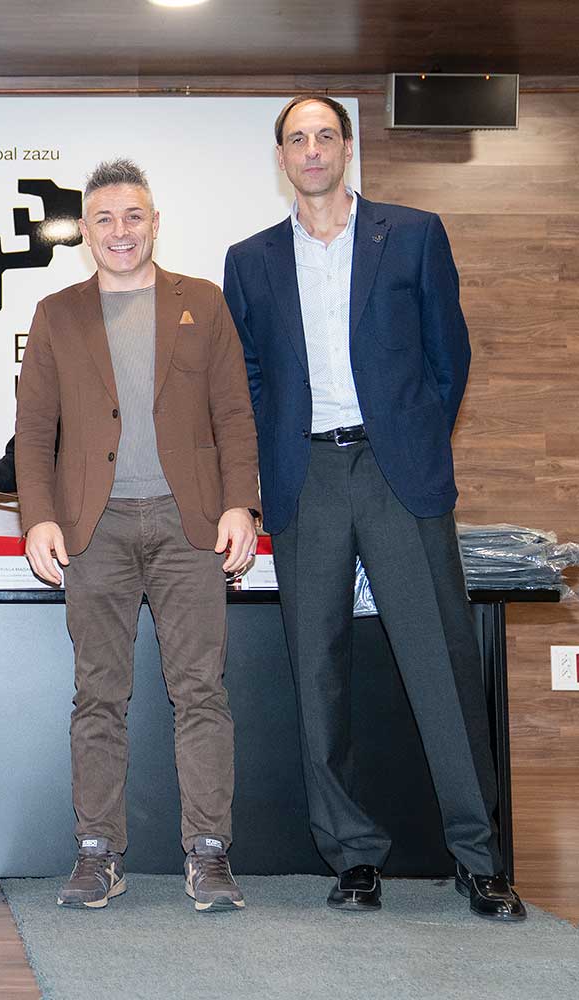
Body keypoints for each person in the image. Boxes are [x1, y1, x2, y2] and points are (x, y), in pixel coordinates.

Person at [222, 95, 525, 921]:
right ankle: (352, 856)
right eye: (297, 139)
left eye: (326, 135)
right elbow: (249, 379)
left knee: (441, 667)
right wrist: (264, 472)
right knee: (317, 675)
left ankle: (479, 860)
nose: (313, 150)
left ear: (347, 148)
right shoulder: (250, 260)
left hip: (399, 474)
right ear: (281, 158)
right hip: (306, 479)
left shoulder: (414, 234)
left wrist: (414, 436)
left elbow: (448, 355)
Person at [17, 158, 260, 913]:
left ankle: (209, 853)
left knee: (201, 692)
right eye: (104, 219)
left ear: (155, 223)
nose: (120, 231)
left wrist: (241, 505)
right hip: (96, 528)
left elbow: (234, 414)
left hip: (191, 526)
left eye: (133, 216)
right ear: (84, 232)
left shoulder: (203, 302)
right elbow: (35, 429)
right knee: (98, 695)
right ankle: (97, 853)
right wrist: (39, 517)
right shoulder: (57, 313)